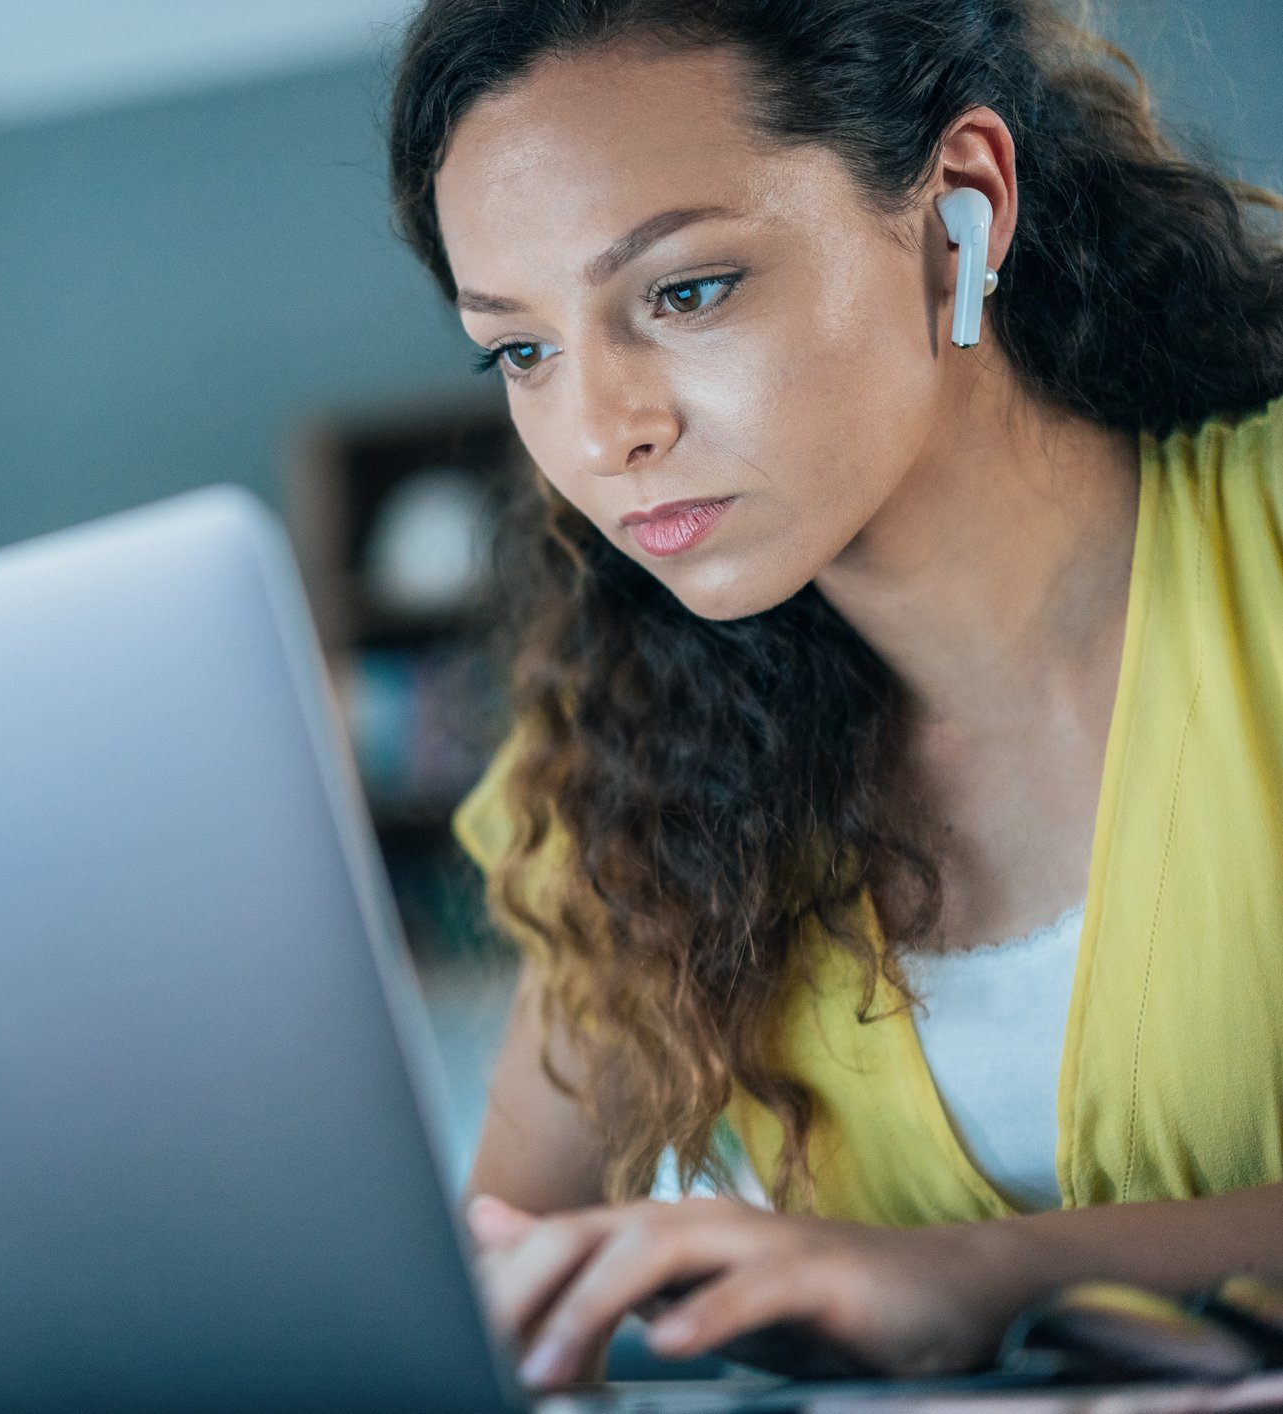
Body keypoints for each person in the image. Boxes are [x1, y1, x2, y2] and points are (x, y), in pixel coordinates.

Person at [386, 0, 1283, 1393]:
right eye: (520, 349)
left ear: (960, 210)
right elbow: (488, 1287)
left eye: (683, 291)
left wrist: (974, 1278)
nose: (598, 430)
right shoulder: (632, 778)